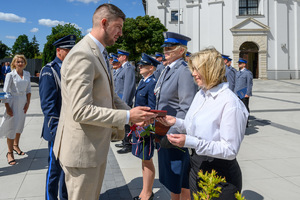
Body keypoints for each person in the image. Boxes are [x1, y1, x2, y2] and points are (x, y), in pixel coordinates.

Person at [52, 4, 156, 200]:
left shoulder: (98, 52)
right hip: (81, 153)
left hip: (93, 149)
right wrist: (127, 116)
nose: (121, 33)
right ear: (104, 23)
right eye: (118, 27)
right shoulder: (83, 54)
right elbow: (81, 111)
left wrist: (135, 115)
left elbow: (111, 95)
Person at [157, 48, 249, 198]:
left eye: (197, 69)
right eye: (192, 69)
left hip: (219, 175)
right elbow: (193, 126)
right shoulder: (201, 93)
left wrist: (191, 142)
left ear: (210, 70)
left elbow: (230, 150)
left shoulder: (230, 102)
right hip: (196, 167)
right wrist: (175, 122)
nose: (193, 74)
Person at [154, 32, 198, 200]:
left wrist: (172, 131)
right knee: (173, 177)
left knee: (179, 174)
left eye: (170, 48)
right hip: (164, 129)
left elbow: (186, 107)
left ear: (181, 51)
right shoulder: (168, 68)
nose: (165, 51)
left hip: (174, 131)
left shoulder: (184, 71)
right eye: (165, 47)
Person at [39, 35, 76, 200]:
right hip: (57, 129)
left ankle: (65, 196)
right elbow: (48, 105)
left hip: (71, 128)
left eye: (72, 50)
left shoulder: (72, 68)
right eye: (68, 50)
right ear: (58, 50)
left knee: (67, 169)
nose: (71, 53)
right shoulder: (50, 70)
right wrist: (56, 132)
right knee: (54, 170)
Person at [132, 53, 160, 200]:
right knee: (143, 159)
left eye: (143, 65)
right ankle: (145, 190)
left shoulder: (152, 83)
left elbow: (152, 108)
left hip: (146, 127)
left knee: (147, 159)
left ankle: (147, 194)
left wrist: (143, 124)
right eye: (139, 65)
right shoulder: (144, 81)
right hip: (139, 125)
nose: (140, 67)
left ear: (151, 68)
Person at [0, 55, 31, 165]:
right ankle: (9, 153)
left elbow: (28, 90)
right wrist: (7, 107)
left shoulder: (27, 74)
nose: (20, 63)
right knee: (11, 127)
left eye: (22, 61)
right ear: (14, 63)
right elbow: (5, 92)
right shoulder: (10, 75)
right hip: (12, 102)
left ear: (25, 63)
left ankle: (15, 145)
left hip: (22, 102)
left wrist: (28, 103)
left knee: (19, 126)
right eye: (18, 61)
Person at [115, 48, 136, 154]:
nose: (117, 58)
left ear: (124, 57)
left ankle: (127, 144)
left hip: (124, 101)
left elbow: (128, 87)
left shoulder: (128, 68)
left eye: (119, 56)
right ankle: (124, 141)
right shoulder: (122, 68)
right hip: (120, 100)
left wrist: (125, 103)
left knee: (126, 123)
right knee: (123, 123)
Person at [234, 58, 253, 127]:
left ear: (244, 64)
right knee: (238, 108)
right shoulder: (238, 73)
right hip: (237, 94)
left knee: (245, 108)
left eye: (240, 63)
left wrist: (248, 93)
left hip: (244, 94)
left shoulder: (248, 73)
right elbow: (236, 83)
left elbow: (249, 84)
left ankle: (246, 122)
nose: (239, 64)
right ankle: (240, 122)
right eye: (238, 63)